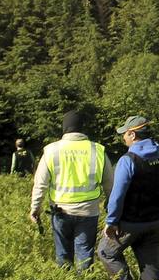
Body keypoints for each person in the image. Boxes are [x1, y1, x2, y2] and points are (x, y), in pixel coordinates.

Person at [98, 115, 159, 280]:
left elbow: (117, 196)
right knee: (150, 264)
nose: (123, 137)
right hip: (155, 222)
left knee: (106, 252)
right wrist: (158, 210)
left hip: (129, 223)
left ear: (133, 135)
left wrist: (111, 222)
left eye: (124, 134)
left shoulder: (128, 160)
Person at [28, 110, 111, 270]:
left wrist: (35, 209)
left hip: (61, 212)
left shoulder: (51, 151)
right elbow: (110, 184)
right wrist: (111, 210)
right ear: (82, 127)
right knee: (85, 254)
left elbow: (40, 184)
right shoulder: (97, 150)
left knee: (63, 255)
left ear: (64, 127)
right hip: (89, 212)